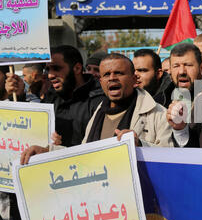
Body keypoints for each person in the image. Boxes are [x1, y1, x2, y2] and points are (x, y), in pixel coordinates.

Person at [21, 53, 173, 164]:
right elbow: (84, 156)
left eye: (118, 73)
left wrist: (140, 145)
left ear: (134, 79)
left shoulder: (158, 114)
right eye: (107, 74)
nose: (112, 78)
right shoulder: (97, 114)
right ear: (101, 81)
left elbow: (169, 160)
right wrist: (47, 152)